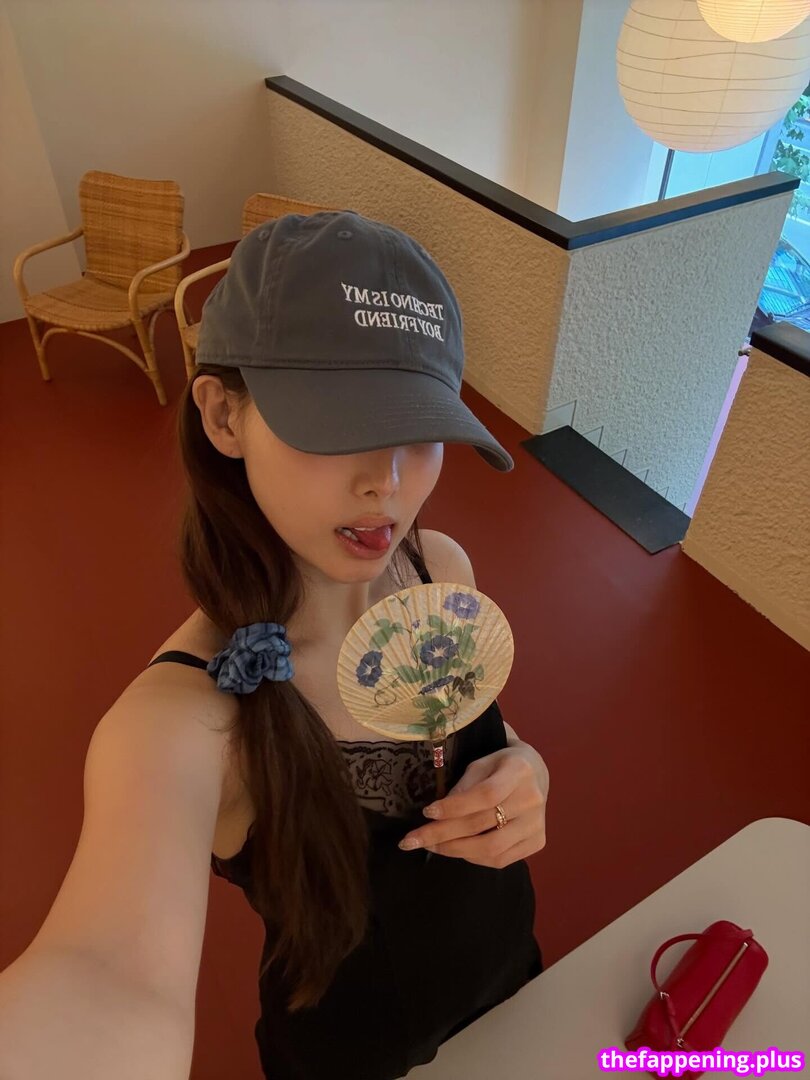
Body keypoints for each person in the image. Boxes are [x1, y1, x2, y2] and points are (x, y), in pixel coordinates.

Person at [0, 210, 549, 1080]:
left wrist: (525, 769)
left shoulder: (439, 569)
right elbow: (103, 977)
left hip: (518, 996)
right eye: (338, 426)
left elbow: (490, 739)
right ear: (224, 416)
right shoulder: (182, 722)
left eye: (418, 429)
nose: (387, 482)